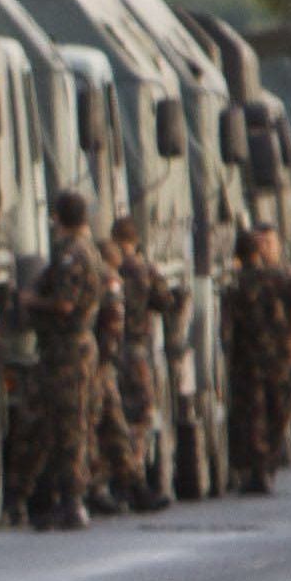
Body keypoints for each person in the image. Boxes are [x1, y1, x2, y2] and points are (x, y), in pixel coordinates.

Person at [18, 190, 112, 529]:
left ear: (59, 218)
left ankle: (72, 501)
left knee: (69, 424)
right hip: (76, 346)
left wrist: (31, 301)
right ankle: (54, 497)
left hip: (68, 349)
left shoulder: (73, 255)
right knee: (67, 422)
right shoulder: (92, 252)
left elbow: (65, 304)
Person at [223, 222, 291, 494]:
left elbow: (226, 329)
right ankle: (266, 465)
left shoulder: (236, 286)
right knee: (274, 411)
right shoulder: (283, 279)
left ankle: (260, 469)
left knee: (254, 414)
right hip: (275, 358)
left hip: (249, 360)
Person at [106, 213, 176, 513]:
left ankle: (112, 482)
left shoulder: (106, 270)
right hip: (136, 350)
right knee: (140, 417)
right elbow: (166, 303)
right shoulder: (145, 270)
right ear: (135, 241)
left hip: (108, 351)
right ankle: (133, 475)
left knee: (111, 417)